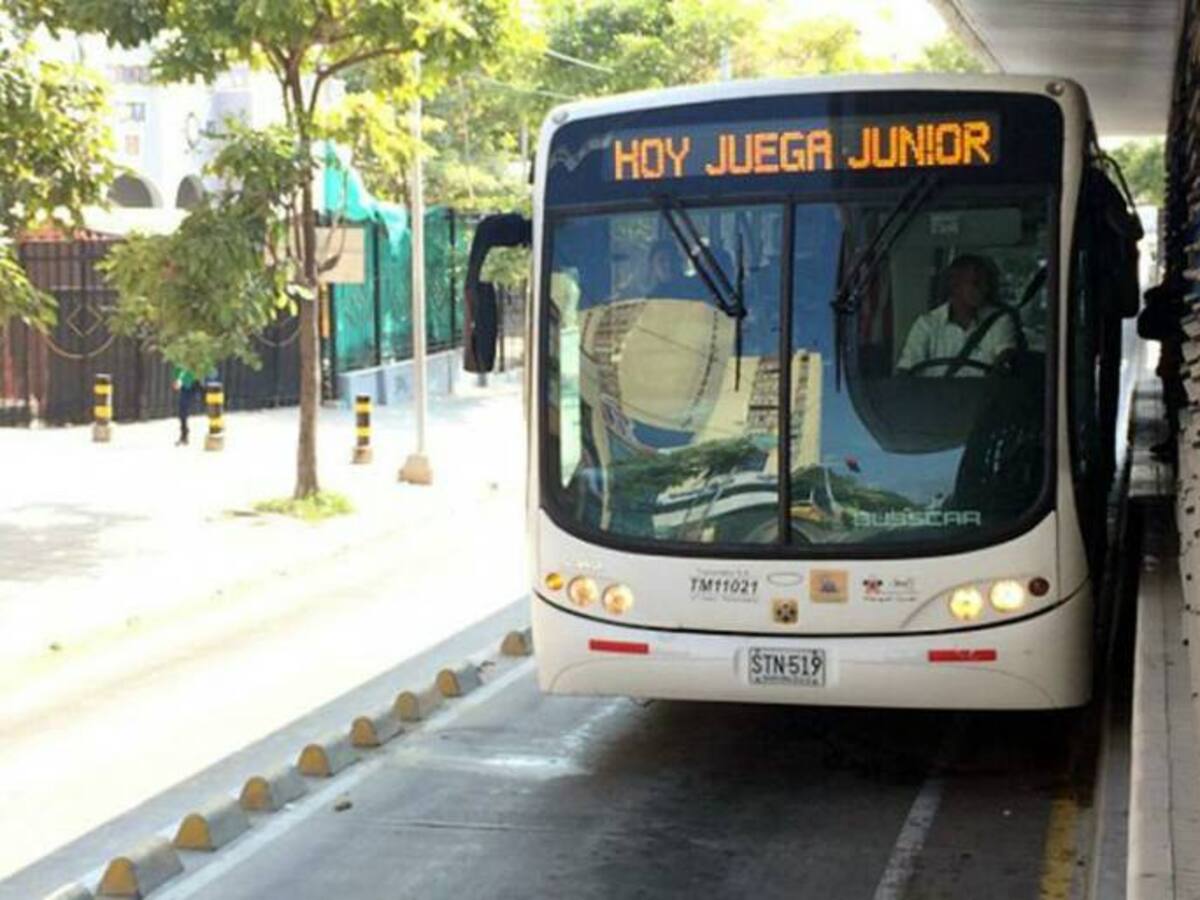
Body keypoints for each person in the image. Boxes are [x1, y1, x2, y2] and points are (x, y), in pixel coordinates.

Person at [896, 254, 1017, 376]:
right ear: (955, 286)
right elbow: (907, 368)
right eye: (976, 283)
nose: (984, 289)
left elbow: (1004, 359)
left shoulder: (999, 320)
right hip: (935, 394)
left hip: (983, 394)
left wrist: (1002, 365)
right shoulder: (927, 324)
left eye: (986, 283)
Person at [172, 364, 202, 446]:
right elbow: (176, 383)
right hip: (186, 387)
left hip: (196, 384)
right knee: (182, 411)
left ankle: (184, 435)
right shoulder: (179, 366)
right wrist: (177, 382)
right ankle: (184, 434)